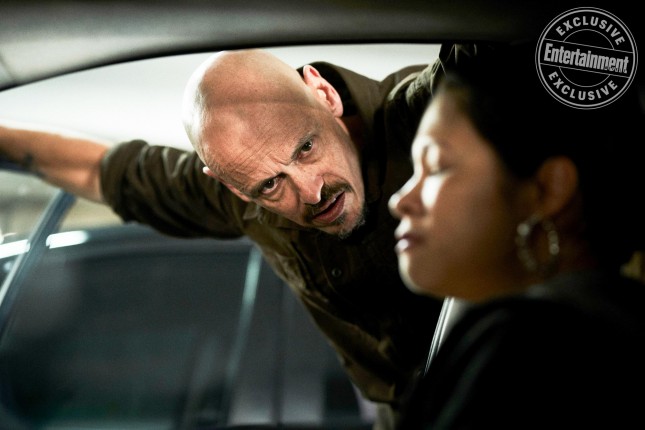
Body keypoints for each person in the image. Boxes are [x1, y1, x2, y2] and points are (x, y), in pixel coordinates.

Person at [0, 47, 458, 426]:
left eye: (306, 147)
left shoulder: (428, 113)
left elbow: (483, 57)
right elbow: (101, 171)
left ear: (323, 93)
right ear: (231, 186)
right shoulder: (238, 198)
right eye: (271, 185)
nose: (312, 192)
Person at [388, 42, 645, 428]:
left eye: (437, 165)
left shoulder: (528, 350)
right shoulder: (610, 319)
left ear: (547, 189)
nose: (400, 201)